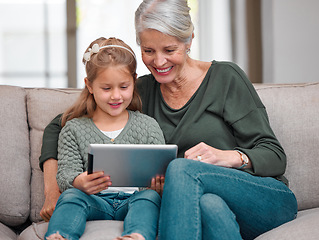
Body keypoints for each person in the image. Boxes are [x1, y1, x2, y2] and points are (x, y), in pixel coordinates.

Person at [40, 0, 298, 239]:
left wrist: (227, 157)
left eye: (170, 49)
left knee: (180, 168)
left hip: (264, 199)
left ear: (189, 41)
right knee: (209, 207)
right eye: (148, 50)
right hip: (204, 201)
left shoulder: (226, 78)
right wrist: (54, 191)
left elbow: (275, 156)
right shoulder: (140, 91)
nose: (159, 61)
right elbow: (59, 126)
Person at [44, 37, 165, 240]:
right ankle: (60, 235)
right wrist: (78, 182)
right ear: (89, 86)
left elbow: (159, 171)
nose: (116, 96)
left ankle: (136, 235)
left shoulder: (148, 126)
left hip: (134, 200)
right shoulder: (73, 129)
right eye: (106, 88)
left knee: (150, 198)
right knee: (71, 197)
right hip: (94, 200)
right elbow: (65, 175)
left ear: (134, 82)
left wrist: (157, 185)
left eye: (124, 87)